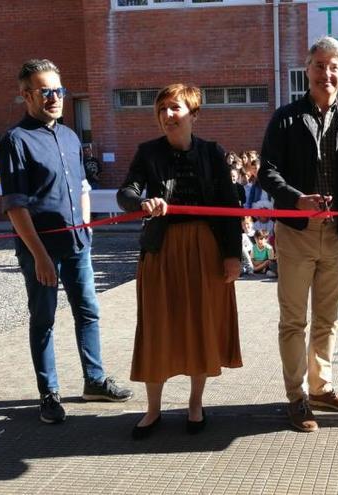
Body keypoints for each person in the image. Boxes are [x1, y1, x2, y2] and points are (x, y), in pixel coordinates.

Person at [0, 59, 132, 424]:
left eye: (59, 90)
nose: (55, 97)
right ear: (27, 95)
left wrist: (86, 227)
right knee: (43, 319)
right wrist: (39, 256)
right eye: (46, 91)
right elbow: (15, 206)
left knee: (88, 311)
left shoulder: (71, 136)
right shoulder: (16, 141)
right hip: (40, 251)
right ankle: (49, 393)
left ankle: (94, 380)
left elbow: (82, 187)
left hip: (78, 246)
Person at [117, 83, 242, 439]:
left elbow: (229, 208)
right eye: (161, 110)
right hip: (161, 250)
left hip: (206, 249)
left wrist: (233, 255)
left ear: (194, 114)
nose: (167, 115)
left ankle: (195, 405)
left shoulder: (213, 153)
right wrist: (141, 203)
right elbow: (126, 192)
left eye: (174, 108)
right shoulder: (147, 153)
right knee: (157, 325)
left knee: (200, 324)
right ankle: (152, 410)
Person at [258, 36, 338, 432]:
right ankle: (296, 395)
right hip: (296, 232)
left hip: (337, 234)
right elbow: (266, 172)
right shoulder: (285, 118)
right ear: (307, 70)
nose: (327, 73)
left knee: (328, 318)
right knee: (293, 320)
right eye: (319, 65)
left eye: (334, 66)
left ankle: (321, 387)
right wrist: (294, 199)